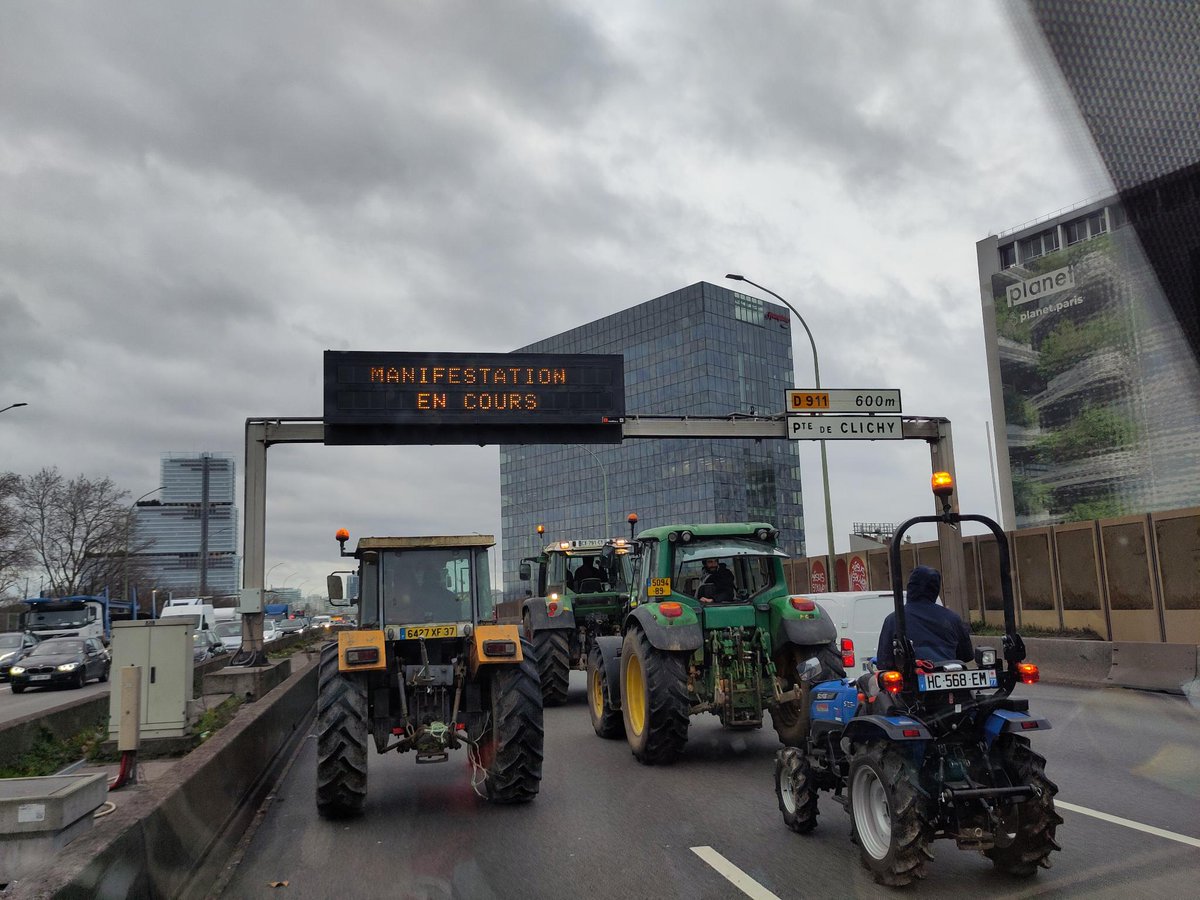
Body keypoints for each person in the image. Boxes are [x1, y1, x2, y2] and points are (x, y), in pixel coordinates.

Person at [874, 566, 973, 669]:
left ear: (910, 587)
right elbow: (966, 655)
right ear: (935, 589)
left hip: (910, 681)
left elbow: (884, 662)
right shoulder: (952, 619)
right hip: (948, 677)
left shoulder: (894, 620)